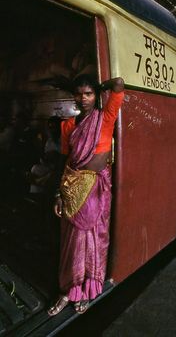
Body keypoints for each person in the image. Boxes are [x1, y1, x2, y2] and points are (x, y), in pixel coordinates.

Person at [48, 74, 124, 315]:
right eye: (79, 94)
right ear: (74, 96)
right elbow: (64, 161)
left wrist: (103, 86)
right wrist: (58, 194)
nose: (83, 98)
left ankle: (87, 291)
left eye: (88, 93)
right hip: (72, 188)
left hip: (96, 189)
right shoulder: (68, 124)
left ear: (96, 96)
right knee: (72, 243)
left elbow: (119, 84)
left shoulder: (107, 117)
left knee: (93, 241)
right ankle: (68, 291)